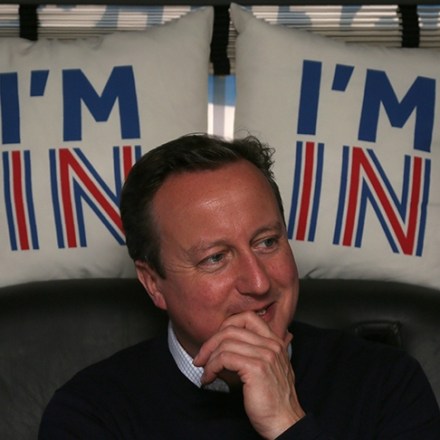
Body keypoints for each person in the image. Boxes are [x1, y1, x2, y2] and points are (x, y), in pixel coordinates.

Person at [39, 134, 440, 439]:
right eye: (215, 258)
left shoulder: (387, 383)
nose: (259, 282)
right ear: (153, 283)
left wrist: (288, 422)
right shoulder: (91, 414)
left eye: (267, 242)